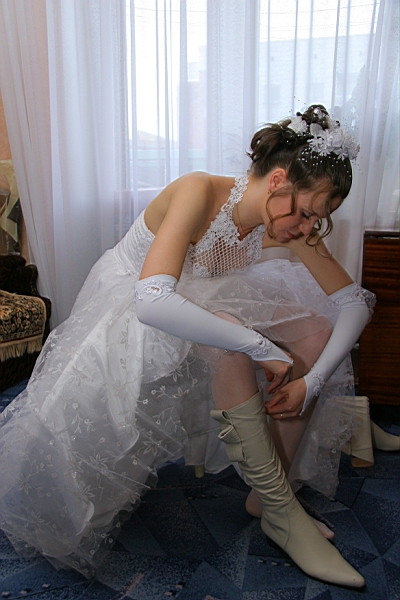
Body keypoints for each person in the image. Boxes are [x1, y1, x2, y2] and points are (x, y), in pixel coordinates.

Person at [0, 105, 380, 586]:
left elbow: (354, 303)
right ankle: (283, 511)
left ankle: (269, 497)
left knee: (314, 330)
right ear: (278, 181)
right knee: (229, 341)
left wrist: (313, 381)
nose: (307, 229)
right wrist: (260, 346)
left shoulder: (287, 221)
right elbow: (152, 300)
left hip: (203, 295)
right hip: (133, 298)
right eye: (306, 213)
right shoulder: (198, 190)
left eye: (317, 220)